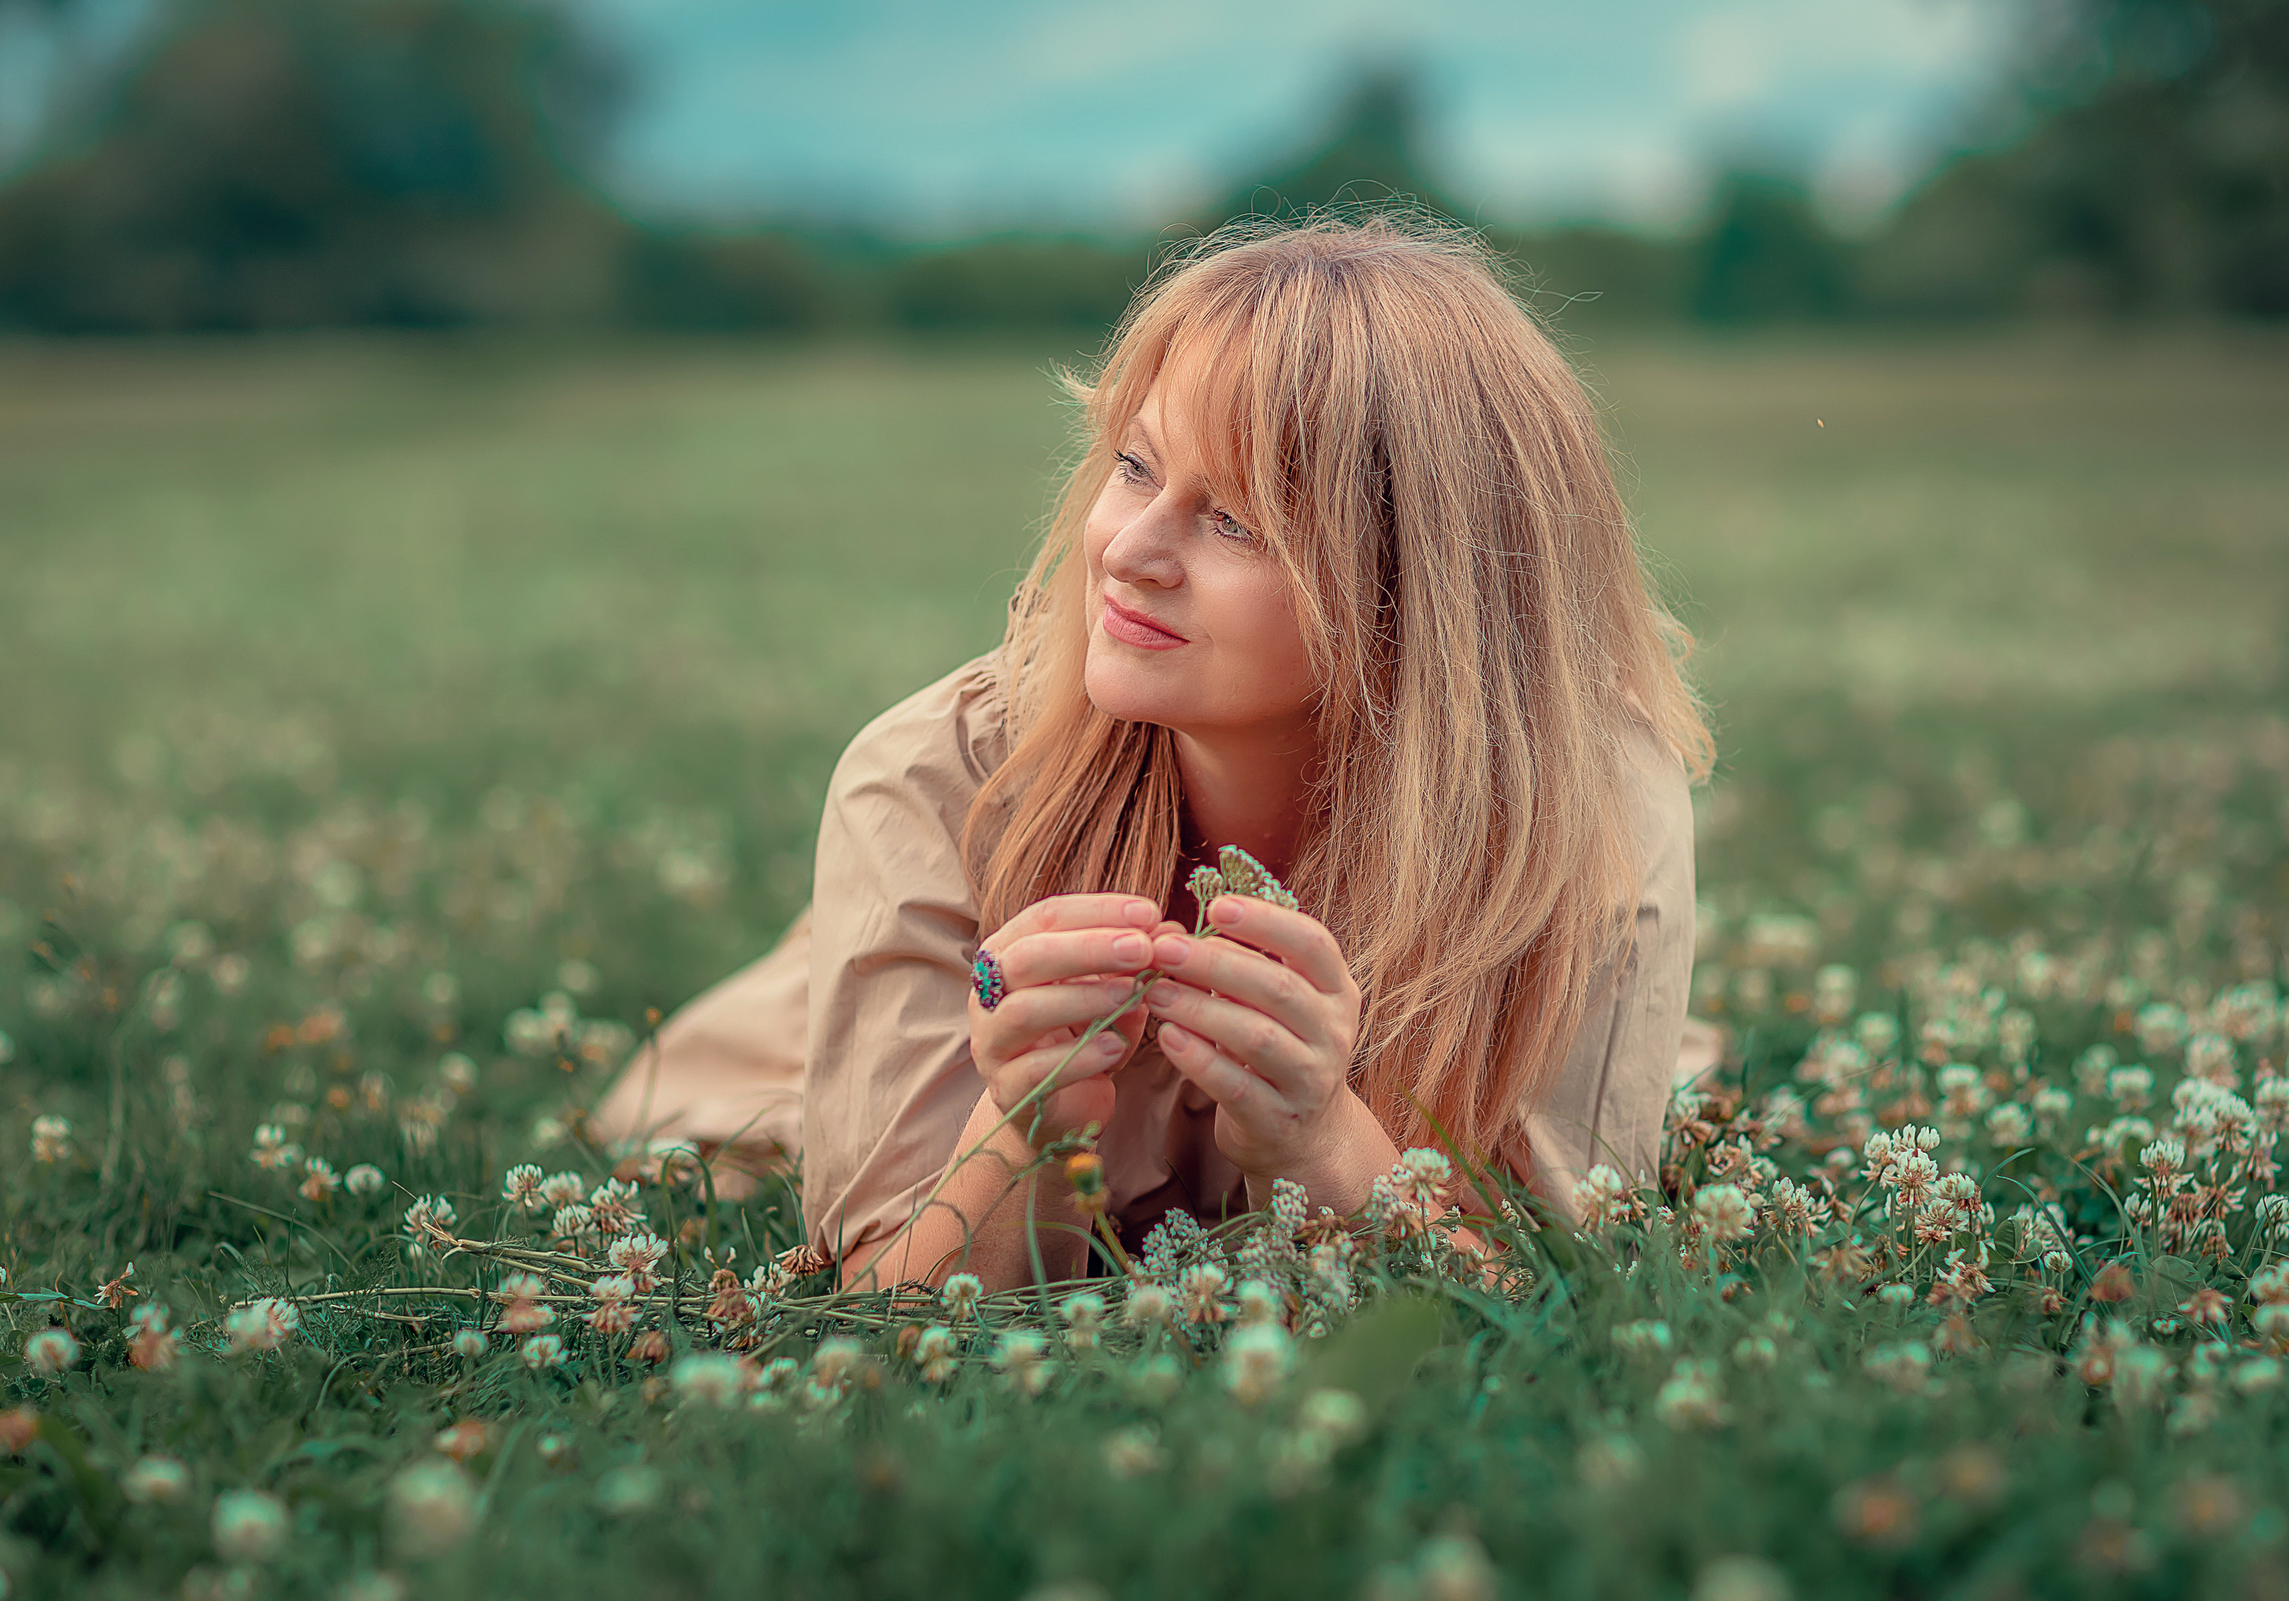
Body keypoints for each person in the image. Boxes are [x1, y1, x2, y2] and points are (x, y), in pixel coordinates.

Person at [590, 214, 1712, 1290]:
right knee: (710, 1129)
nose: (1127, 550)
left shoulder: (1588, 812)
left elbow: (1556, 1305)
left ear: (1416, 594)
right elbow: (890, 1311)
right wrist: (1021, 1125)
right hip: (870, 1012)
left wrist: (1328, 1142)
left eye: (1233, 522)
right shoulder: (938, 777)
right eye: (1134, 466)